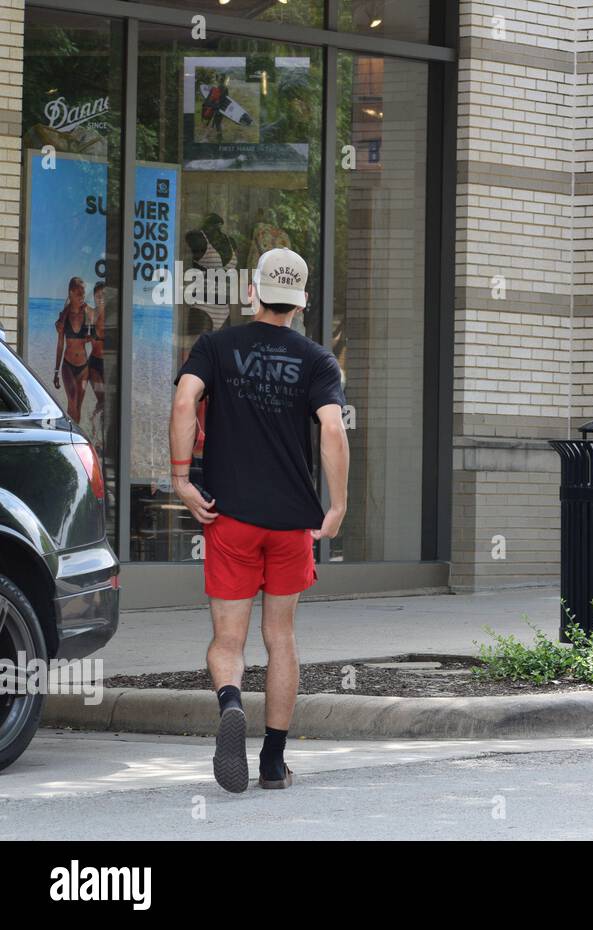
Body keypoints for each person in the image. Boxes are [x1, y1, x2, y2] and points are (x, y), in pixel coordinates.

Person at [168, 248, 349, 793]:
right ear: (303, 302)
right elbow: (334, 432)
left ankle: (229, 703)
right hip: (292, 521)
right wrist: (336, 506)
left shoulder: (216, 347)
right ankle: (273, 761)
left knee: (229, 638)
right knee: (281, 637)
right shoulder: (318, 360)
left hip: (231, 517)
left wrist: (181, 478)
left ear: (253, 291)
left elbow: (183, 403)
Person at [53, 277, 93, 424]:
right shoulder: (64, 317)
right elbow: (60, 345)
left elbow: (97, 333)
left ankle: (75, 438)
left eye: (83, 293)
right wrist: (56, 371)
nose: (82, 296)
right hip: (68, 366)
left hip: (84, 367)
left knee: (77, 408)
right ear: (70, 293)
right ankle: (72, 436)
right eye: (79, 293)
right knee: (72, 400)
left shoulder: (87, 313)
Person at [86, 281, 108, 442]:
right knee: (102, 400)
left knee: (106, 402)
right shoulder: (91, 314)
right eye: (98, 295)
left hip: (108, 364)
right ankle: (96, 430)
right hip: (93, 363)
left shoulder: (113, 317)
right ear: (94, 297)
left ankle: (97, 428)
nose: (100, 298)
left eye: (104, 295)